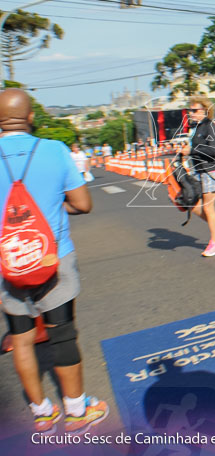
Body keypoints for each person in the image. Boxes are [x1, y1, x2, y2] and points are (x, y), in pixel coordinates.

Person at [0, 89, 108, 433]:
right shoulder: (54, 150)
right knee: (63, 335)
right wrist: (51, 208)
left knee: (21, 337)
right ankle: (76, 410)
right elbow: (82, 204)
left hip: (8, 262)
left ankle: (42, 412)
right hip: (53, 256)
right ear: (30, 117)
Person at [179, 97, 215, 257]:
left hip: (211, 171)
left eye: (195, 110)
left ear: (205, 110)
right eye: (190, 110)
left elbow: (213, 151)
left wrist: (192, 150)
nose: (191, 113)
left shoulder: (210, 127)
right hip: (198, 171)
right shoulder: (195, 128)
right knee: (193, 205)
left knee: (208, 207)